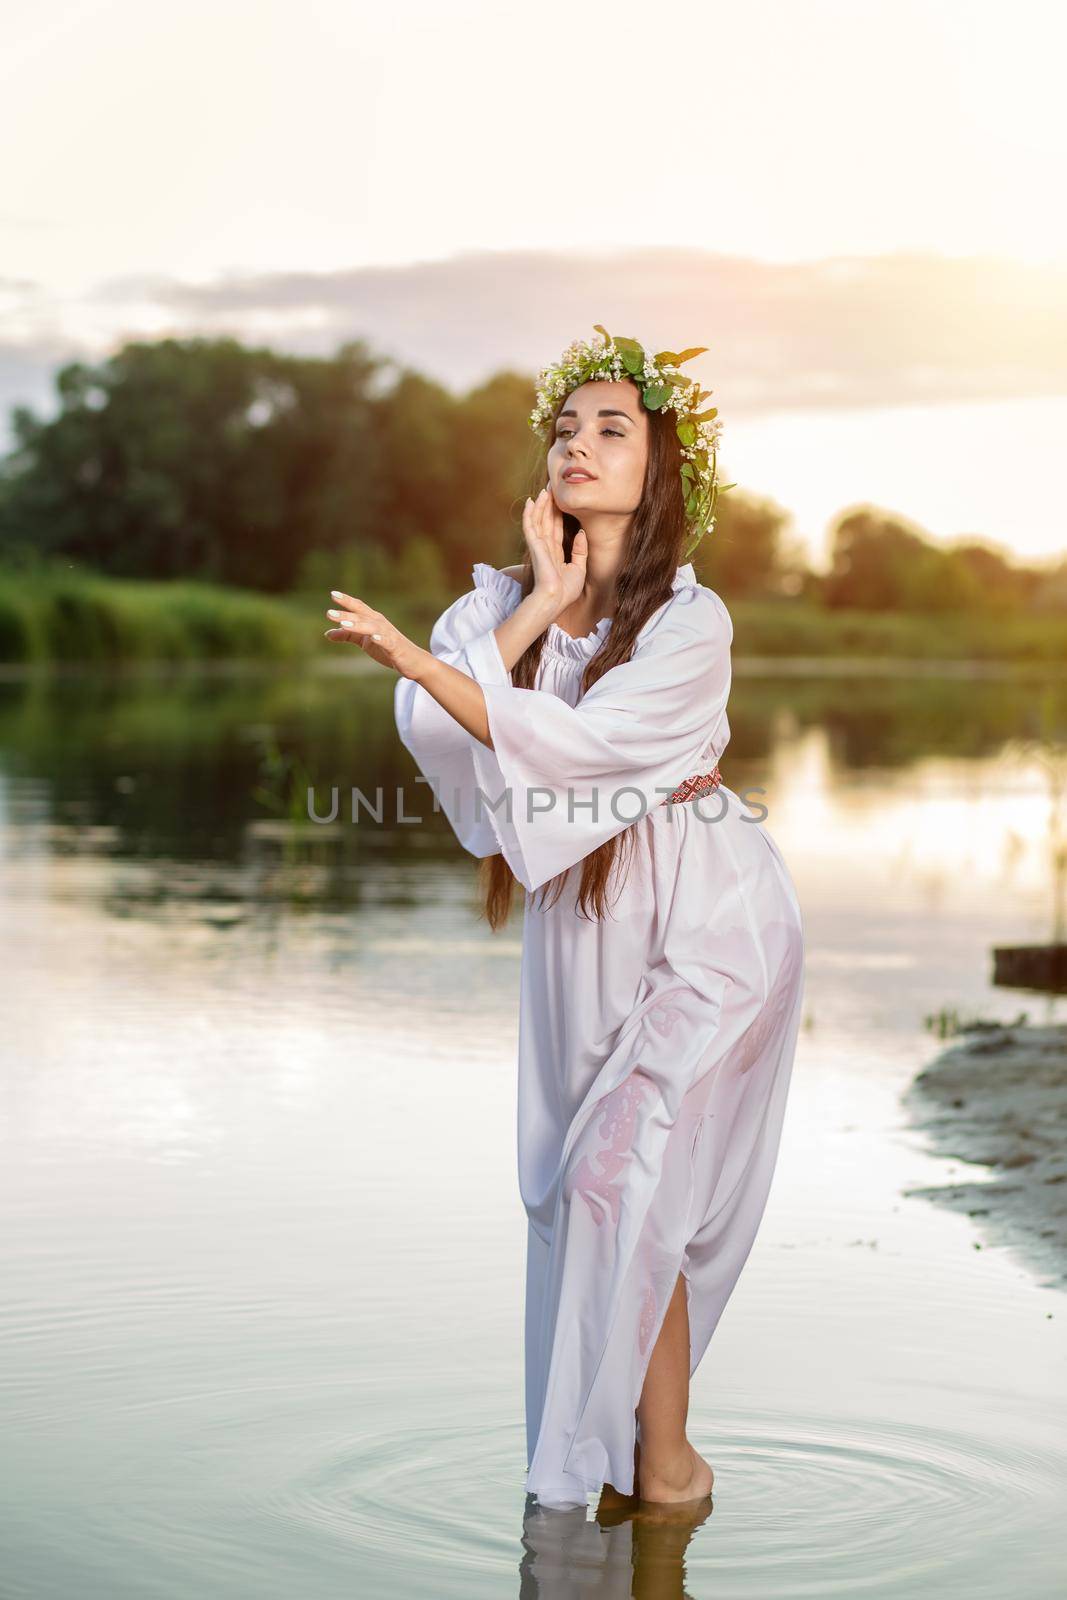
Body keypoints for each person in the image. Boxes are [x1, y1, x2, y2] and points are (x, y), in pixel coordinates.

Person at [324, 327, 805, 1513]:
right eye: (563, 427)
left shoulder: (691, 625)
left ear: (660, 470)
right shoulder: (495, 606)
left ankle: (634, 1474)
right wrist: (540, 600)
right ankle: (664, 1472)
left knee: (618, 1170)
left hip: (709, 921)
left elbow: (580, 749)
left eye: (611, 428)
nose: (577, 445)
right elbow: (441, 730)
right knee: (612, 1187)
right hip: (583, 926)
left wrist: (425, 664)